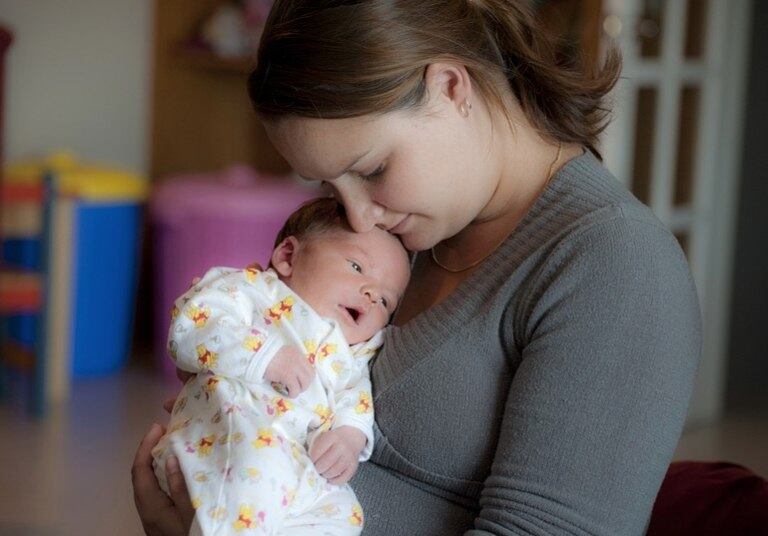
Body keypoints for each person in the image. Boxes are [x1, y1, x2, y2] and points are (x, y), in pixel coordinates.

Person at [132, 1, 702, 534]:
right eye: (330, 187)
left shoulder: (612, 264)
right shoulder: (411, 234)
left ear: (452, 87)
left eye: (374, 168)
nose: (357, 216)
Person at [150, 198, 411, 534]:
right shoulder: (252, 291)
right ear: (288, 257)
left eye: (387, 300)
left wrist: (349, 436)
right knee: (257, 474)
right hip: (228, 445)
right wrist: (265, 355)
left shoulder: (355, 353)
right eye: (357, 268)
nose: (372, 294)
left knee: (345, 515)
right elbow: (191, 327)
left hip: (298, 467)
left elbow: (356, 396)